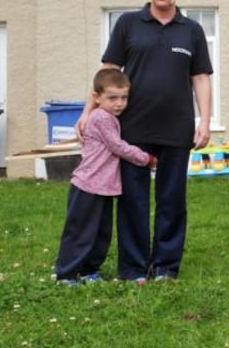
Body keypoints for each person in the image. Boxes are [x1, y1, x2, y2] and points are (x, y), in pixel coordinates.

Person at [76, 0, 213, 284]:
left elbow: (201, 78)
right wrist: (87, 112)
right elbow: (107, 74)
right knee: (132, 201)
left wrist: (204, 122)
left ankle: (166, 267)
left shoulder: (191, 30)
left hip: (177, 131)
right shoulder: (127, 24)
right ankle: (134, 269)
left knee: (171, 201)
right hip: (131, 130)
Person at [55, 69, 156, 286]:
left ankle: (89, 270)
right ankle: (66, 273)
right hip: (88, 185)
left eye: (124, 98)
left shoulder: (110, 116)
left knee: (100, 234)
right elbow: (117, 146)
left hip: (105, 187)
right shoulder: (101, 117)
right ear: (96, 98)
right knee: (80, 232)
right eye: (112, 98)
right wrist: (145, 158)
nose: (119, 103)